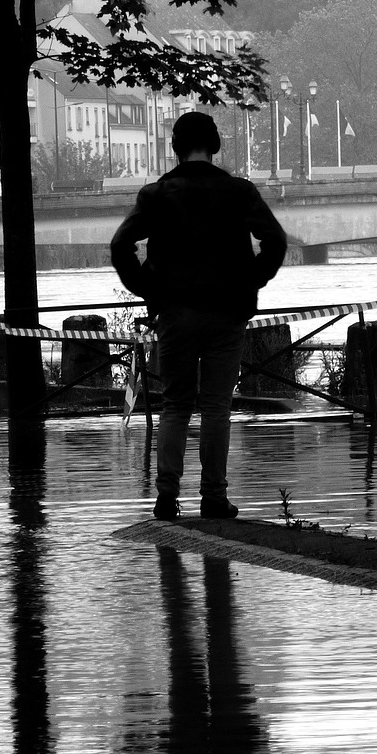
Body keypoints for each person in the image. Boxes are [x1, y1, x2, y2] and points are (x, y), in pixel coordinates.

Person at [111, 111, 288, 520]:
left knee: (176, 405)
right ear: (215, 146)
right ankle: (213, 497)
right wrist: (251, 280)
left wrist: (148, 287)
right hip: (227, 311)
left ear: (175, 148)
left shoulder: (156, 195)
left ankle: (166, 497)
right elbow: (275, 241)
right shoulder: (239, 192)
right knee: (216, 407)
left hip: (176, 312)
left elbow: (121, 245)